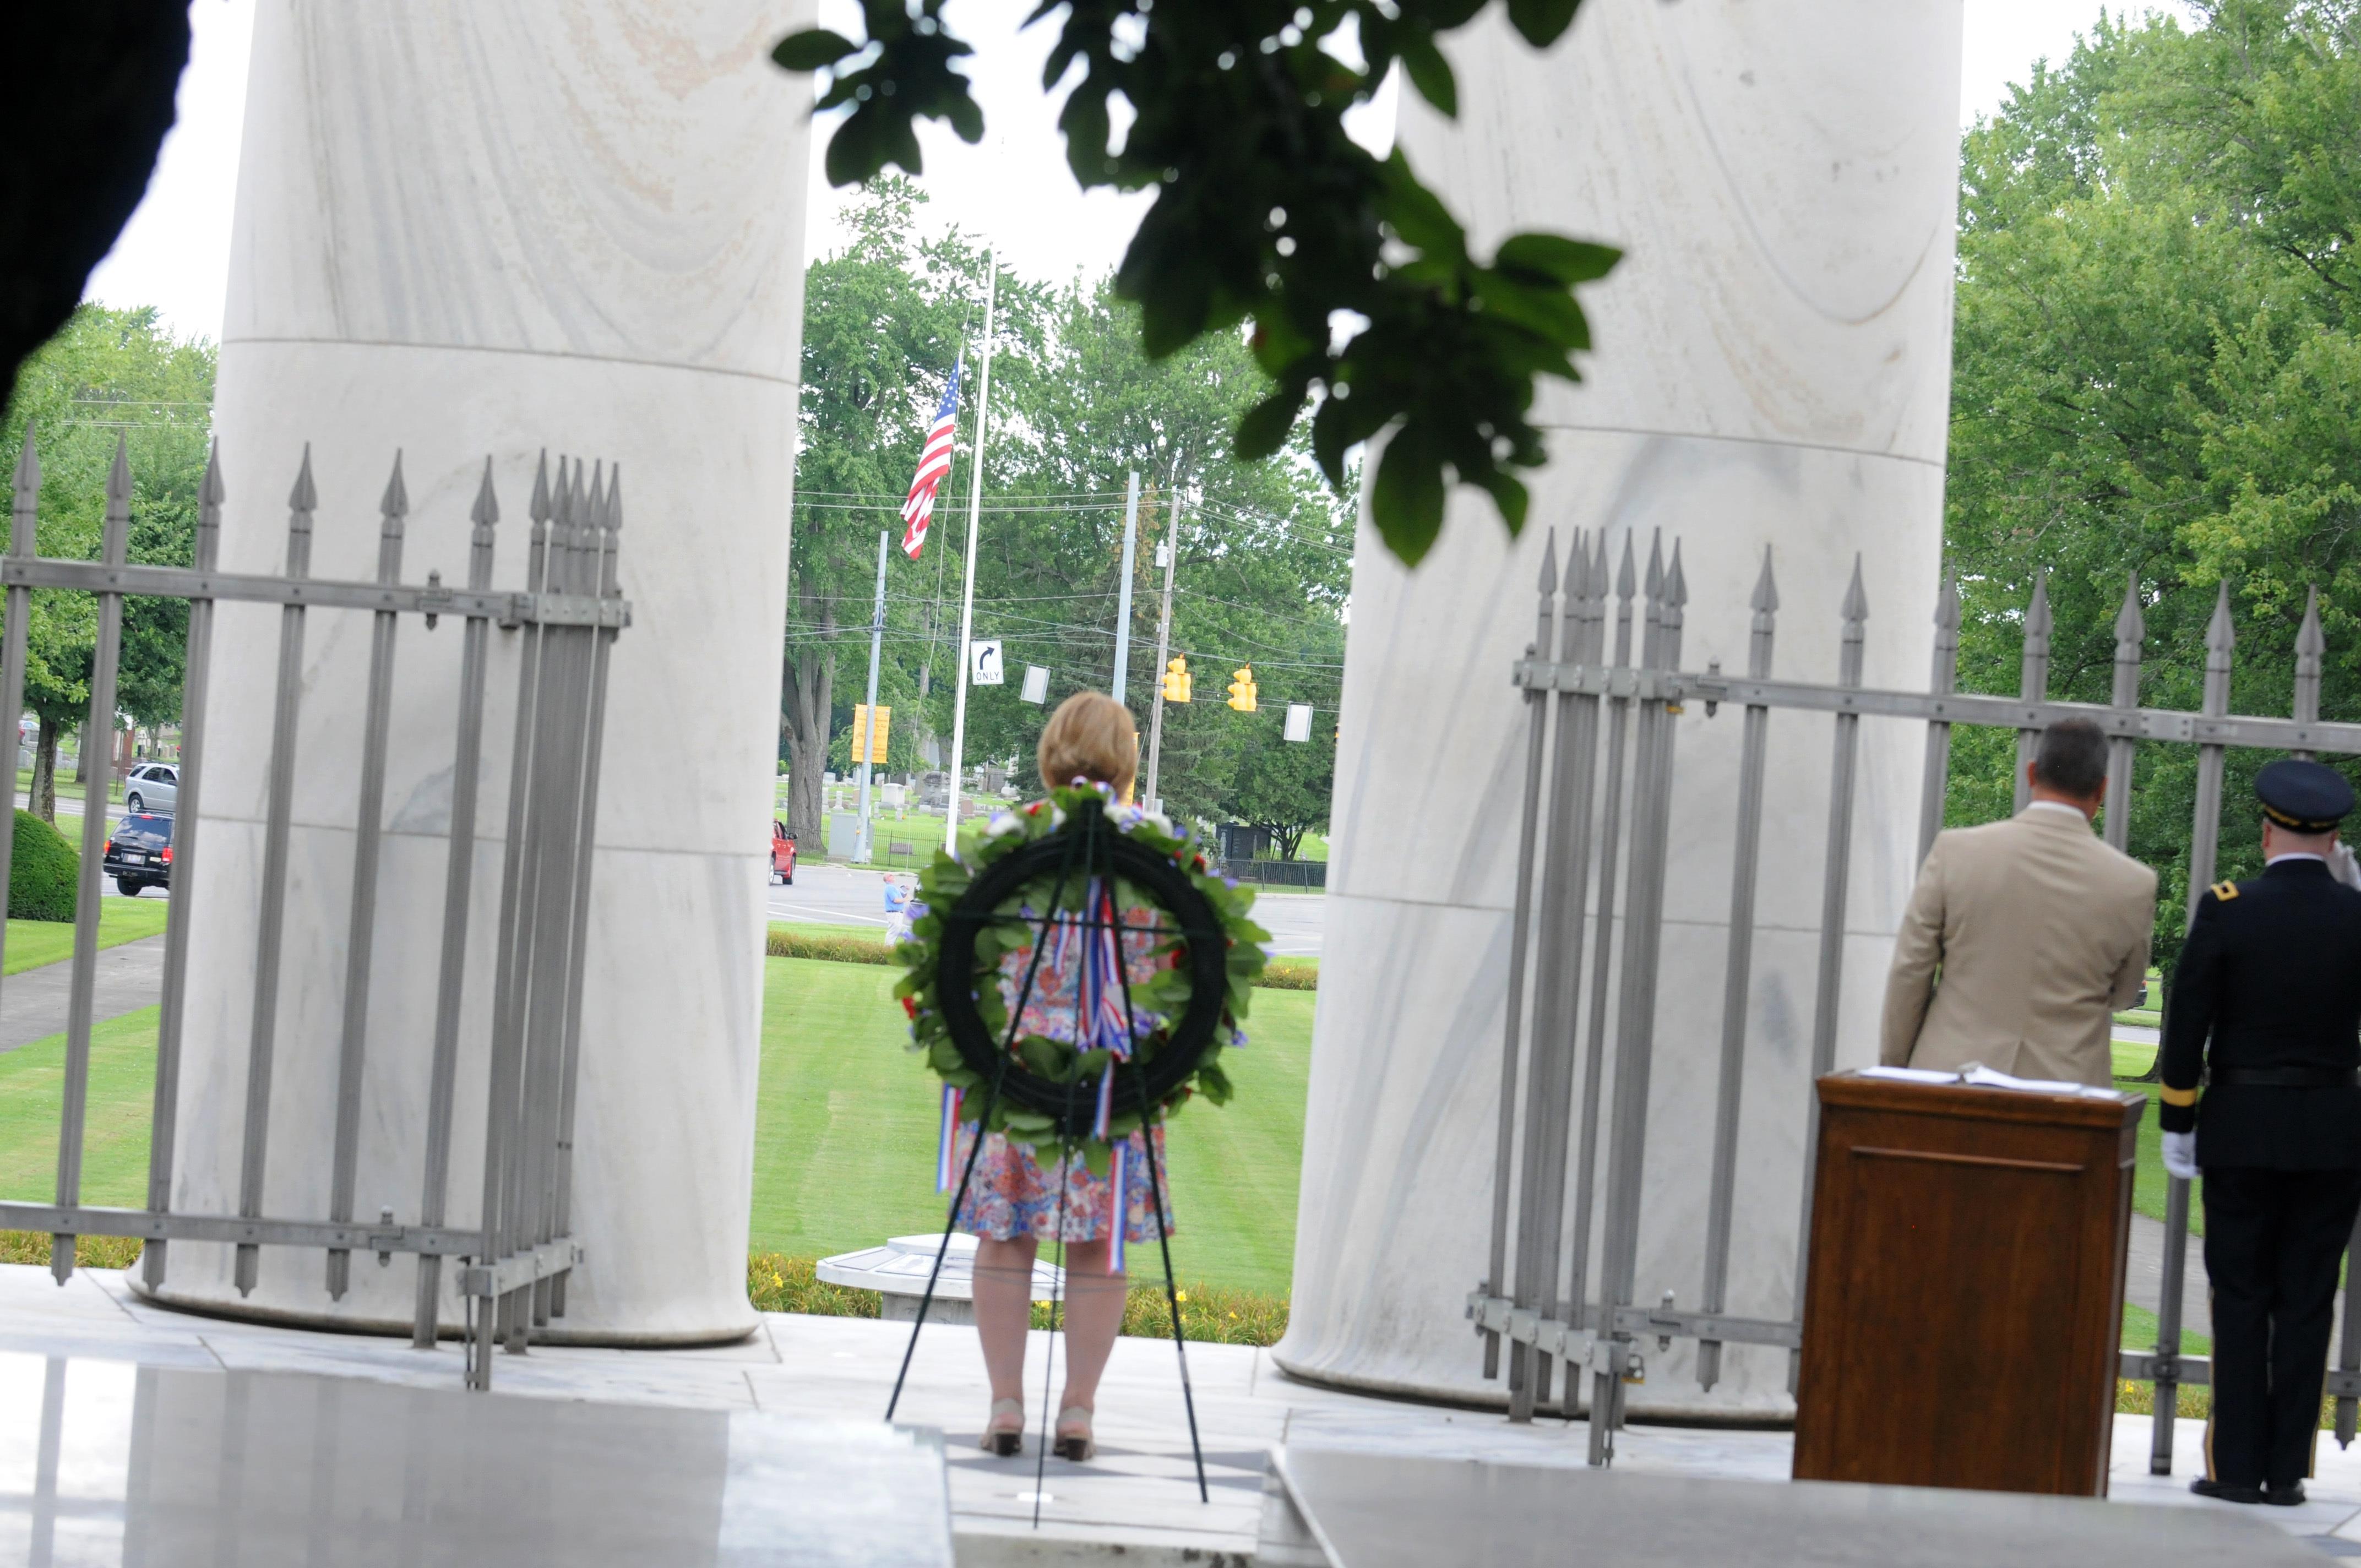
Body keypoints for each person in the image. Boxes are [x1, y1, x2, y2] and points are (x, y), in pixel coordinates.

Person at [958, 690, 1172, 1463]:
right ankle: (1078, 1409)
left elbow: (961, 950)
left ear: (1050, 754)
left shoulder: (1007, 839)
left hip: (1015, 1070)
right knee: (1097, 1242)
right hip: (1116, 1076)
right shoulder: (1158, 850)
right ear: (1127, 759)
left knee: (1005, 1235)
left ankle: (1005, 1404)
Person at [2159, 758, 2361, 1507]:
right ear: (2333, 839)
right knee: (2308, 1299)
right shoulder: (2355, 913)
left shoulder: (2229, 907)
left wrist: (2179, 1115)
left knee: (2240, 1294)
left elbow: (2188, 1020)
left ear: (2267, 832)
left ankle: (2236, 1467)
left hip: (2242, 1127)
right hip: (2333, 1131)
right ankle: (2286, 1473)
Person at [1879, 716, 2157, 1086]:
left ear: (2031, 773)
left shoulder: (1956, 853)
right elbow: (2124, 993)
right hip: (2066, 1087)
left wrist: (1895, 1067)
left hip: (1952, 1078)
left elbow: (1911, 972)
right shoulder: (2133, 884)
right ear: (2102, 789)